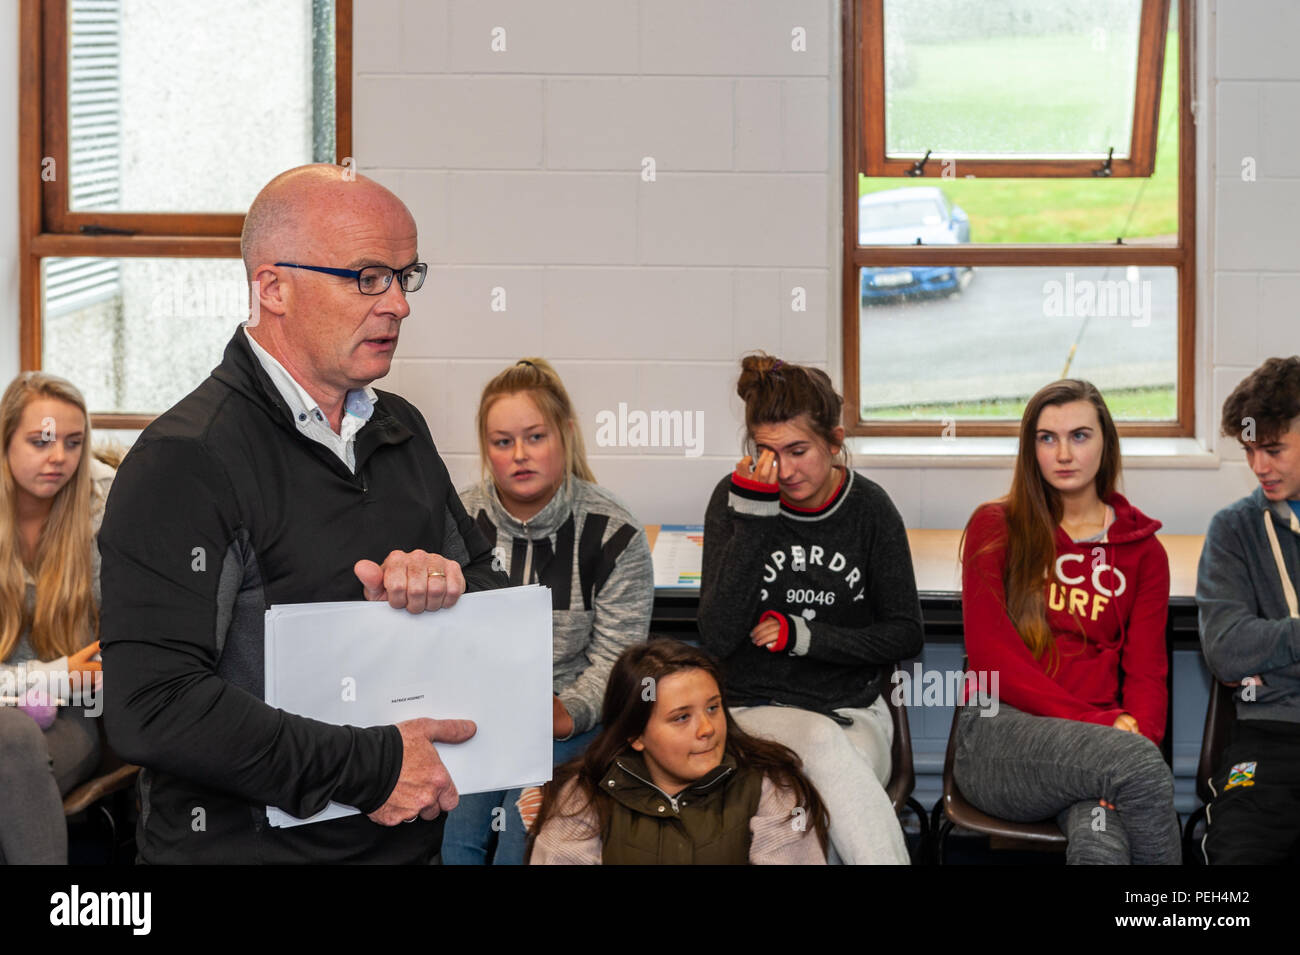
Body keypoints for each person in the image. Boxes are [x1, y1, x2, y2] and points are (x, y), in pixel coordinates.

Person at [98, 164, 509, 864]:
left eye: (405, 276)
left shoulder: (400, 430)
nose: (398, 305)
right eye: (367, 276)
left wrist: (446, 588)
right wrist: (372, 766)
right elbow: (154, 706)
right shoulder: (186, 459)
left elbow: (494, 603)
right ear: (273, 287)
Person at [697, 353, 921, 864]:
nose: (783, 469)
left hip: (849, 714)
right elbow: (716, 636)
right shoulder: (736, 501)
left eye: (798, 450)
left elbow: (906, 633)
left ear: (835, 442)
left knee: (802, 800)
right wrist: (754, 518)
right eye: (767, 451)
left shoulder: (870, 509)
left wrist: (807, 636)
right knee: (807, 775)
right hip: (751, 712)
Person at [956, 379, 1179, 864]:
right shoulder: (995, 527)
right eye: (1046, 438)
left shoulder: (1144, 553)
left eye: (1079, 436)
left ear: (1106, 443)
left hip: (1098, 748)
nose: (1063, 453)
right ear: (1030, 448)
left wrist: (1128, 734)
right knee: (1139, 767)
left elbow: (1147, 674)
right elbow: (995, 660)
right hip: (999, 735)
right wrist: (1106, 733)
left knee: (1103, 842)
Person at [443, 358, 653, 864]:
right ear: (485, 448)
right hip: (478, 722)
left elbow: (616, 663)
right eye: (502, 442)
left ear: (566, 435)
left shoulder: (615, 531)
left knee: (526, 833)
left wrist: (563, 715)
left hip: (570, 724)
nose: (519, 455)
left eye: (535, 437)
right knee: (459, 839)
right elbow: (438, 641)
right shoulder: (457, 521)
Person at [527, 639, 828, 864]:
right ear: (636, 734)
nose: (707, 729)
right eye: (682, 717)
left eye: (713, 707)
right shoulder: (585, 796)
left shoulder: (770, 788)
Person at [0, 373, 116, 863]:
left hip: (68, 722)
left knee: (10, 734)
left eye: (73, 443)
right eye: (40, 441)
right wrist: (56, 674)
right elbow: (72, 672)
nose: (59, 458)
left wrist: (63, 681)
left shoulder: (100, 524)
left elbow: (107, 668)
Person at [1197, 356, 1300, 864]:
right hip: (1271, 733)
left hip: (1274, 700)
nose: (1260, 466)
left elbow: (1252, 648)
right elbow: (1228, 651)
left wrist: (1275, 653)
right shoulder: (1233, 530)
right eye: (1250, 450)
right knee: (1238, 857)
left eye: (1274, 449)